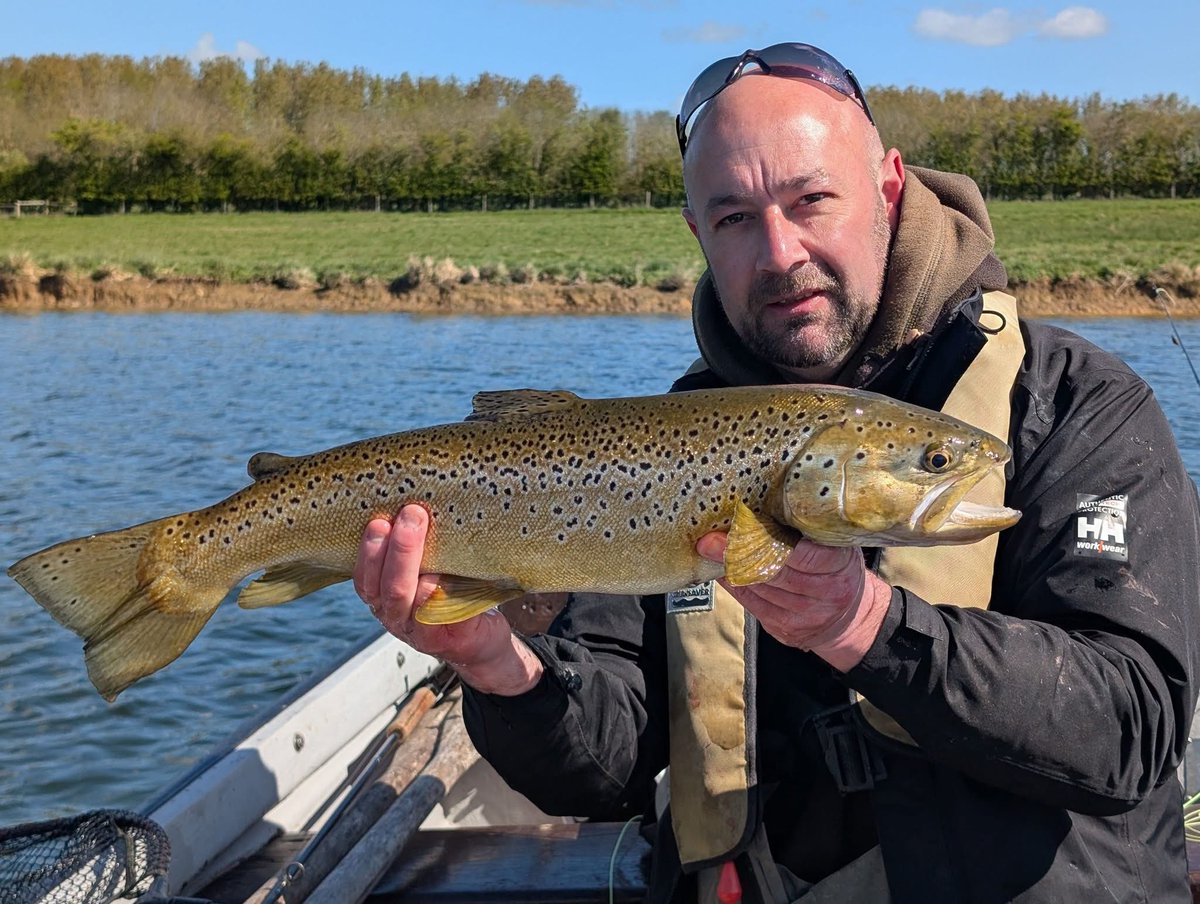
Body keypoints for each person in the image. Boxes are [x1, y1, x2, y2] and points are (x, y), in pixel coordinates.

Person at [353, 42, 1200, 902]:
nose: (779, 251)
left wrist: (867, 624)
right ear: (698, 234)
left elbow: (1131, 728)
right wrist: (499, 668)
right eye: (733, 218)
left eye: (811, 200)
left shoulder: (1073, 403)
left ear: (889, 189)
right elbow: (607, 768)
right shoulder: (663, 439)